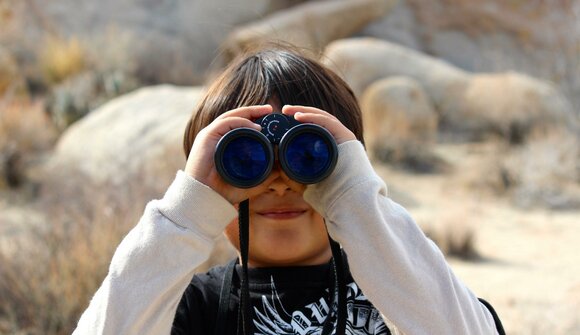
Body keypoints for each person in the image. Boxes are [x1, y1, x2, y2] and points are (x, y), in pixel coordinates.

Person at [73, 46, 505, 335]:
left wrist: (357, 202)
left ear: (349, 164)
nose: (280, 182)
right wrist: (185, 213)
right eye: (245, 161)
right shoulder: (192, 307)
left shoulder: (403, 287)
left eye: (310, 156)